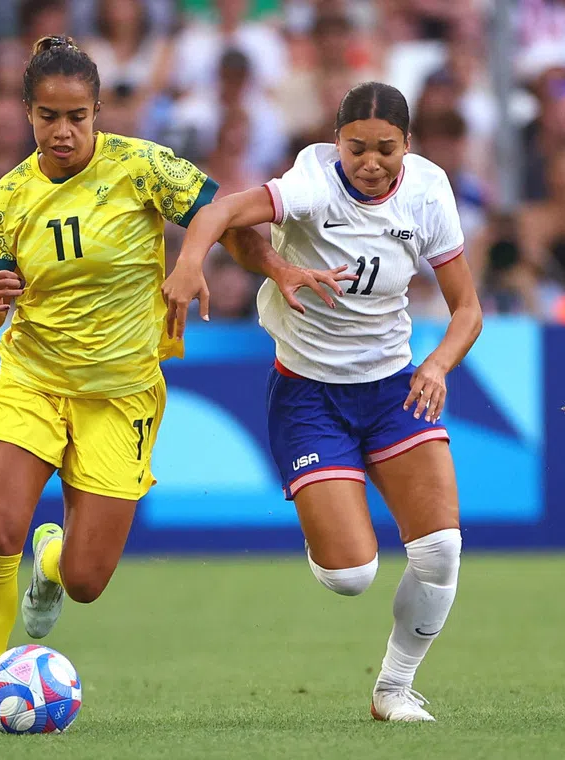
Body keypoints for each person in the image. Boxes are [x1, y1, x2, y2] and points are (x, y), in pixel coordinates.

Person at [0, 35, 353, 733]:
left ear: (98, 112)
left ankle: (52, 559)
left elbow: (225, 221)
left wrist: (279, 269)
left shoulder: (143, 167)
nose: (63, 131)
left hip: (122, 395)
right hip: (32, 381)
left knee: (85, 581)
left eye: (77, 116)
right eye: (48, 117)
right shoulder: (5, 200)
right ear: (28, 113)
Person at [162, 81, 484, 722]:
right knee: (351, 576)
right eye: (356, 148)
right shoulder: (310, 184)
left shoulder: (428, 190)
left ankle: (394, 689)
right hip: (309, 394)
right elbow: (220, 212)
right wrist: (189, 263)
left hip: (393, 387)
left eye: (385, 149)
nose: (371, 163)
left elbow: (467, 310)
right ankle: (326, 522)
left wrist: (438, 365)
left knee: (441, 550)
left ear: (407, 145)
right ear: (337, 142)